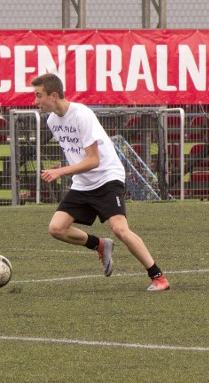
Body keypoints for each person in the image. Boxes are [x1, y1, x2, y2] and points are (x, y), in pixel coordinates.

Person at [31, 73, 170, 291]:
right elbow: (77, 154)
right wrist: (67, 171)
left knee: (120, 229)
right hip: (83, 182)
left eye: (39, 95)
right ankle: (100, 245)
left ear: (54, 95)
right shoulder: (52, 121)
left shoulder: (81, 115)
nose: (35, 101)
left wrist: (61, 172)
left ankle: (158, 276)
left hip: (107, 177)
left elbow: (94, 160)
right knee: (56, 228)